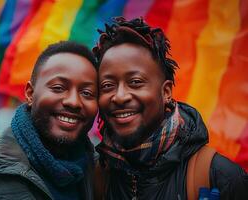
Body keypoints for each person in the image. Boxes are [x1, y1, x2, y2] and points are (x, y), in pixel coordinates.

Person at [93, 17, 248, 200]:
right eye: (107, 85)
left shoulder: (221, 177)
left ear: (166, 92)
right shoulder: (94, 176)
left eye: (135, 82)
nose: (119, 96)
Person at [0, 41, 98, 200]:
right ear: (30, 94)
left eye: (87, 93)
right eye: (58, 88)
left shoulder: (103, 177)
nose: (73, 102)